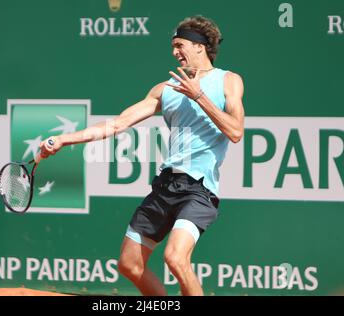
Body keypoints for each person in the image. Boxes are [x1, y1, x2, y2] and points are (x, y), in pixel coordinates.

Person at [39, 15, 245, 296]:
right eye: (173, 46)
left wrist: (199, 97)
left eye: (180, 44)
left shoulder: (228, 81)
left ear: (200, 46)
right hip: (165, 186)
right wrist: (64, 139)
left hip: (199, 189)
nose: (174, 52)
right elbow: (119, 123)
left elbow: (235, 131)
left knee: (175, 258)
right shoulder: (165, 89)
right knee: (129, 264)